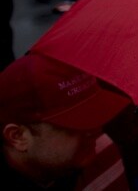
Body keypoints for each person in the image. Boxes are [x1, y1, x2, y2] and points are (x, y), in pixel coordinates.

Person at [0, 54, 131, 190]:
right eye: (77, 122)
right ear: (18, 136)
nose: (96, 130)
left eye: (94, 114)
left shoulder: (103, 150)